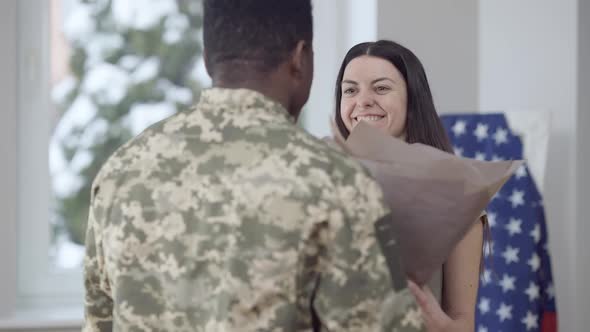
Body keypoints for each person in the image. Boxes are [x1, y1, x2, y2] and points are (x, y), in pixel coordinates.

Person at [83, 2, 426, 331]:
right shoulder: (339, 183)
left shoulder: (119, 172)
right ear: (301, 59)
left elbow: (100, 323)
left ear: (208, 60)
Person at [334, 40, 484, 332]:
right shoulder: (319, 173)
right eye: (350, 90)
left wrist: (436, 323)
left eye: (380, 88)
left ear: (413, 100)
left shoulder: (457, 189)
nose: (362, 101)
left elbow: (463, 322)